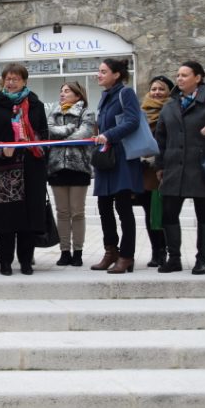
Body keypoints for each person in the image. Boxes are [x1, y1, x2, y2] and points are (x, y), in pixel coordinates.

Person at [155, 61, 205, 275]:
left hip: (202, 168)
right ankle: (174, 259)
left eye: (184, 75)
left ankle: (202, 260)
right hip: (173, 168)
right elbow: (160, 138)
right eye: (178, 75)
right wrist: (159, 164)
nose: (179, 79)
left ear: (197, 78)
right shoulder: (170, 106)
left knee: (203, 214)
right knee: (169, 214)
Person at [0, 63, 49, 276]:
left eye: (16, 79)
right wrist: (1, 149)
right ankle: (5, 262)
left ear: (24, 81)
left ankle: (26, 262)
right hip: (4, 169)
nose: (11, 83)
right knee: (5, 218)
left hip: (31, 167)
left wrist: (34, 141)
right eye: (8, 79)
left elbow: (44, 132)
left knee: (28, 219)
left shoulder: (36, 104)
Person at [90, 58, 143, 274]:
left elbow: (133, 121)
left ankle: (127, 256)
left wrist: (108, 135)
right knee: (104, 207)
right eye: (99, 71)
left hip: (122, 158)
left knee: (123, 208)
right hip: (106, 158)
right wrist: (98, 136)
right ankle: (110, 251)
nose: (98, 75)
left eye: (103, 71)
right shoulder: (104, 97)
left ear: (117, 74)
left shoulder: (126, 93)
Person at [46, 81, 95, 267]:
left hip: (78, 167)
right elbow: (48, 131)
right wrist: (68, 129)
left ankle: (78, 252)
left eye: (67, 91)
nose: (62, 94)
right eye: (61, 90)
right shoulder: (54, 112)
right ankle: (64, 251)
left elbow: (84, 134)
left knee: (77, 212)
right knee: (62, 212)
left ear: (78, 95)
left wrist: (62, 137)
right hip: (57, 167)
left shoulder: (86, 113)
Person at [136, 75, 174, 268]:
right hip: (145, 171)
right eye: (154, 89)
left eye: (161, 89)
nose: (157, 92)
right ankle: (156, 251)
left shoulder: (173, 111)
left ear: (169, 92)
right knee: (149, 212)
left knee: (165, 213)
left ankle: (168, 251)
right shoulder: (141, 112)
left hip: (165, 170)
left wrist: (157, 159)